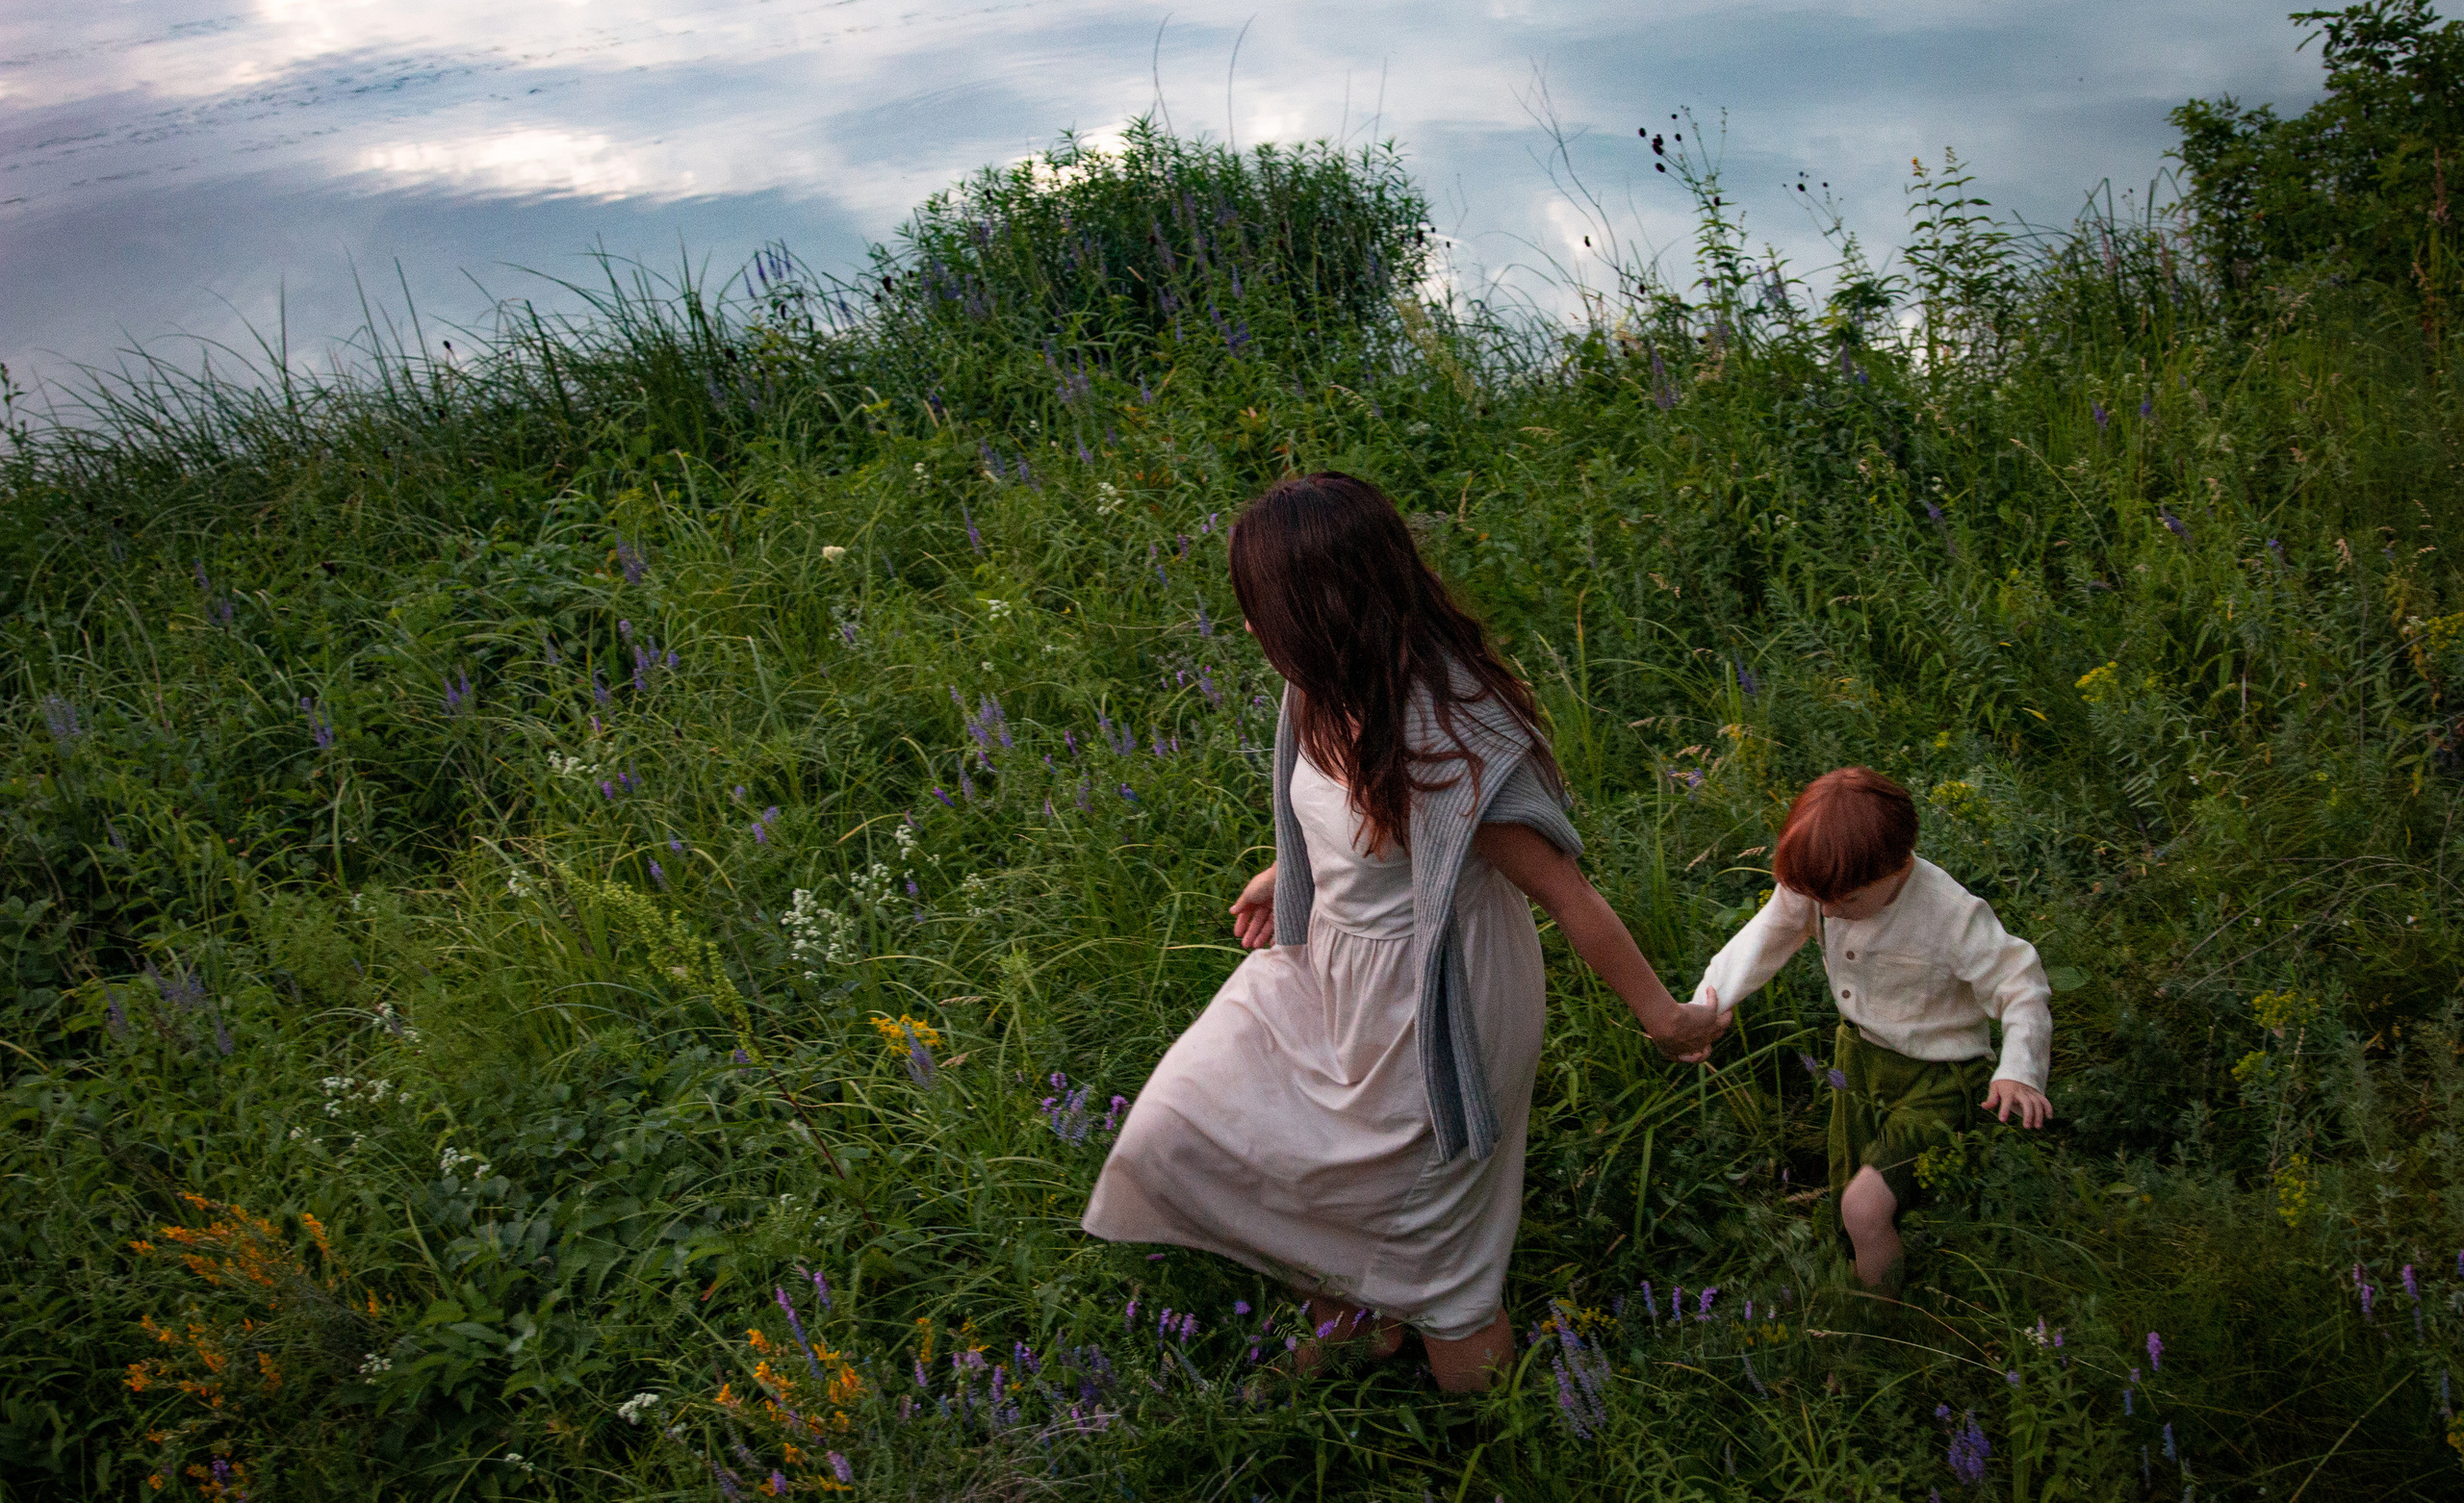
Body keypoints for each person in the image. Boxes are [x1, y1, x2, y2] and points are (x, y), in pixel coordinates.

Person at [1081, 472, 1728, 1392]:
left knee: (1440, 1252)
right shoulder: (1316, 691)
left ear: (1325, 612)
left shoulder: (1449, 740)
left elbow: (1567, 892)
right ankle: (1355, 1319)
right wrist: (1290, 872)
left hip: (1440, 1000)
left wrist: (1665, 1018)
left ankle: (1489, 1434)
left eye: (1266, 610)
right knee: (1187, 1125)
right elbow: (1354, 825)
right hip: (1334, 970)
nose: (1254, 631)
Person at [1690, 767, 2054, 1291]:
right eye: (1819, 900)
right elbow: (1765, 936)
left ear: (1899, 864)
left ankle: (1880, 1324)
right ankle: (1886, 1264)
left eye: (1848, 902)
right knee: (1854, 1185)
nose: (1830, 913)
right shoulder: (1828, 887)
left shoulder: (1950, 916)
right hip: (1859, 1061)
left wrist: (2019, 1069)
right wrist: (1709, 1003)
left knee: (1864, 1205)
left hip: (1939, 1079)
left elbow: (2021, 985)